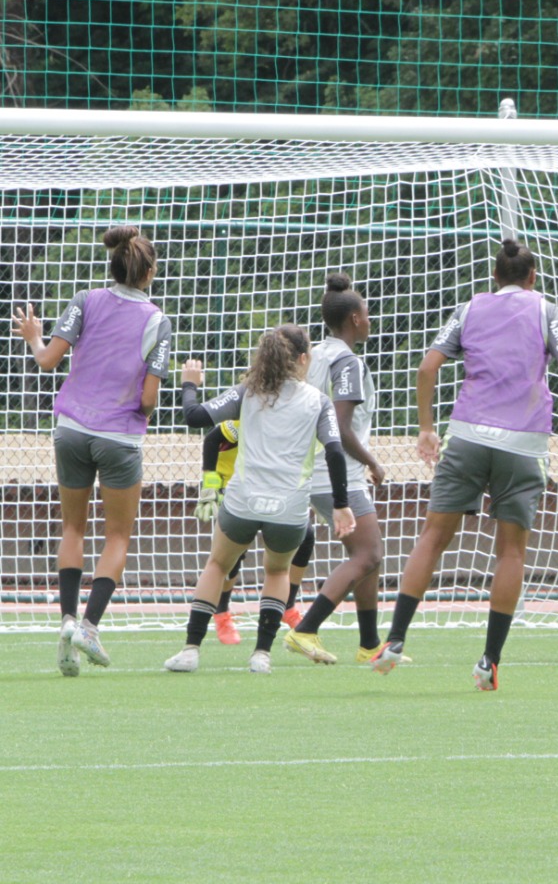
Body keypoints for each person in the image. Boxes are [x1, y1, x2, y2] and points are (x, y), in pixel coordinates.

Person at [369, 238, 558, 691]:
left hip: (466, 435)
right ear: (532, 277)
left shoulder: (469, 309)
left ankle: (395, 641)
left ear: (494, 277)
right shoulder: (547, 310)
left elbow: (427, 369)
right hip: (523, 445)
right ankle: (488, 663)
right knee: (511, 552)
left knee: (433, 538)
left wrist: (426, 428)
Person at [11, 226, 171, 677]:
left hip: (71, 429)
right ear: (149, 272)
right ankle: (90, 626)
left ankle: (65, 622)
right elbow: (148, 399)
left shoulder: (84, 299)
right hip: (119, 436)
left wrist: (33, 335)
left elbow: (47, 361)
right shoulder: (158, 320)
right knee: (117, 535)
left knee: (72, 527)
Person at [164, 326, 355, 674]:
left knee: (218, 565)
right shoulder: (318, 401)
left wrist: (190, 383)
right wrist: (341, 504)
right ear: (301, 359)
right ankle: (261, 656)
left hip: (243, 501)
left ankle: (191, 650)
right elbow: (336, 452)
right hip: (289, 508)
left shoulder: (247, 392)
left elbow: (194, 418)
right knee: (278, 570)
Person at [283, 274, 391, 665]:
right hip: (337, 473)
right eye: (367, 313)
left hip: (315, 470)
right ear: (356, 319)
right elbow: (341, 427)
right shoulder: (346, 361)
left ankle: (369, 645)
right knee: (369, 554)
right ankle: (305, 629)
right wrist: (373, 461)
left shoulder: (317, 355)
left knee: (364, 554)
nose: (370, 319)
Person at [192, 419, 313, 644]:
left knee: (306, 535)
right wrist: (210, 482)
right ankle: (221, 612)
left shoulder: (295, 417)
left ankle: (288, 605)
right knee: (231, 556)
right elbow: (211, 437)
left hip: (269, 490)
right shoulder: (247, 416)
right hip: (234, 490)